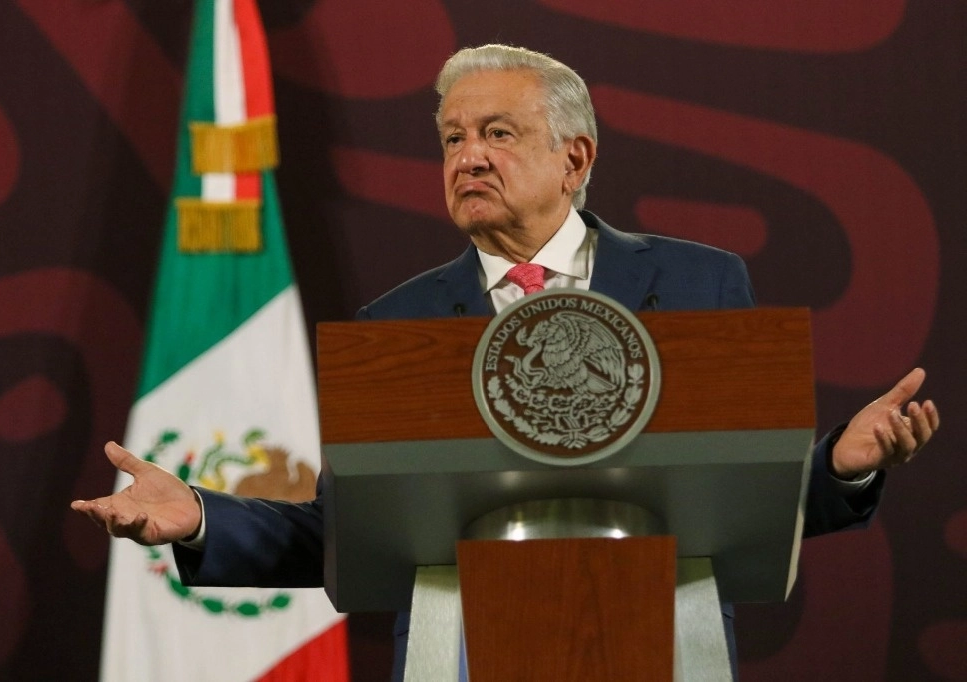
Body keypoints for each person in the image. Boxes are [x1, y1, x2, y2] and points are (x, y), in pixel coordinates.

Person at [73, 44, 940, 679]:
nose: (468, 157)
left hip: (662, 644)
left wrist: (843, 466)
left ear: (577, 158)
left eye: (496, 132)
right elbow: (346, 531)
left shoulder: (698, 282)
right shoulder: (399, 324)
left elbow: (755, 494)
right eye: (451, 139)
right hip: (463, 653)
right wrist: (198, 515)